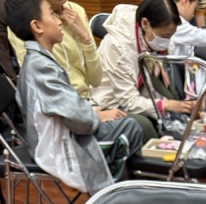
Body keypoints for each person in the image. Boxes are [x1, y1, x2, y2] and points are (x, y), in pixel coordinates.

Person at [5, 0, 143, 194]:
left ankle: (114, 194)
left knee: (126, 126)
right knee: (130, 128)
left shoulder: (40, 60)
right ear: (37, 26)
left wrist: (93, 114)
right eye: (51, 14)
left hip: (64, 132)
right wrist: (97, 115)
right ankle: (109, 198)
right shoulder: (41, 67)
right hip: (59, 149)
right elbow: (82, 121)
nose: (59, 21)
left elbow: (78, 102)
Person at [91, 0, 195, 141]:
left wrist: (184, 105)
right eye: (165, 36)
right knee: (145, 126)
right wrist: (166, 105)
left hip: (139, 97)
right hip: (110, 104)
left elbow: (155, 87)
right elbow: (128, 101)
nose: (167, 42)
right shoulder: (118, 46)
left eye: (170, 36)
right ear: (145, 24)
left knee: (179, 112)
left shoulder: (150, 38)